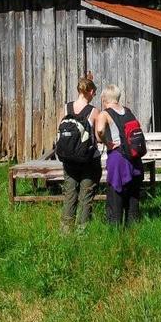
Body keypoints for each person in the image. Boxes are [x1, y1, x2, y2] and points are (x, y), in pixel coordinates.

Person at [96, 84, 144, 227]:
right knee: (133, 195)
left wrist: (107, 142)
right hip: (134, 158)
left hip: (118, 159)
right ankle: (133, 227)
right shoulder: (128, 112)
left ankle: (114, 228)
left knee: (115, 194)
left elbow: (99, 132)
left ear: (104, 98)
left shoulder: (104, 114)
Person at [60, 76, 102, 232]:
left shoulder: (65, 108)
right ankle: (82, 232)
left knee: (69, 195)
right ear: (90, 91)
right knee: (86, 196)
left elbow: (59, 131)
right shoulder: (94, 111)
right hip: (88, 161)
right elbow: (98, 137)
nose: (94, 95)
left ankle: (65, 231)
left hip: (69, 160)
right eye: (94, 93)